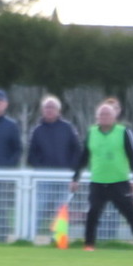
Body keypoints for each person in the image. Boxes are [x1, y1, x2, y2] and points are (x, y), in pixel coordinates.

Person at [71, 101, 133, 252]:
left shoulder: (124, 132)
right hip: (98, 182)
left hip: (119, 182)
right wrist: (75, 178)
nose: (104, 117)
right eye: (101, 114)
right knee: (92, 214)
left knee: (132, 215)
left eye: (107, 114)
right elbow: (83, 157)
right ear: (97, 117)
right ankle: (89, 245)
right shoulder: (91, 133)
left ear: (114, 116)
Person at [27, 96, 80, 241]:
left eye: (52, 107)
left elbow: (77, 151)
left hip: (64, 177)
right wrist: (41, 169)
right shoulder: (37, 130)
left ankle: (58, 239)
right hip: (43, 178)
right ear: (42, 110)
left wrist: (71, 170)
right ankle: (29, 238)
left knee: (61, 209)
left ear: (58, 110)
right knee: (39, 207)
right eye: (47, 107)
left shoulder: (68, 128)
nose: (49, 110)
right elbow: (31, 155)